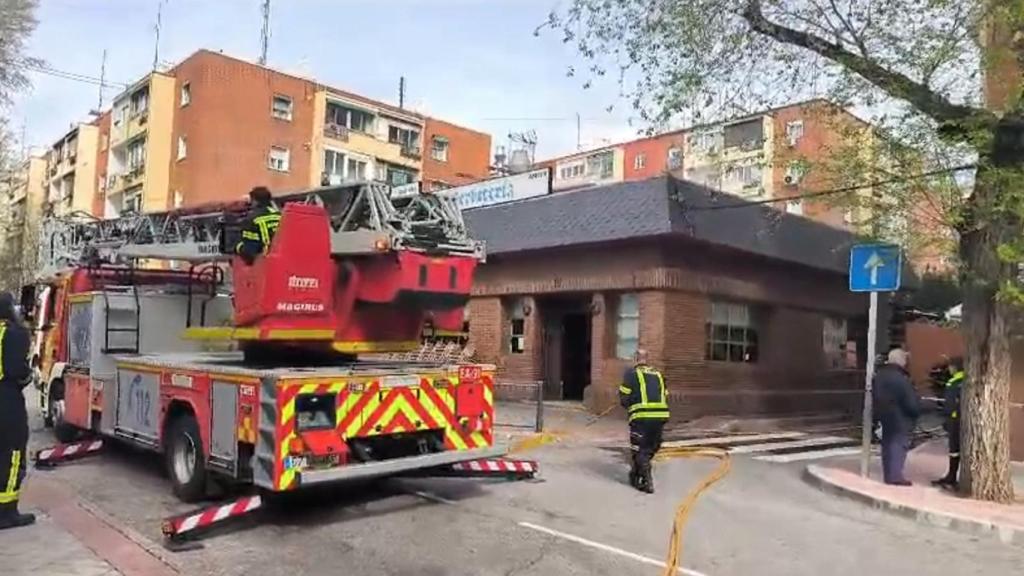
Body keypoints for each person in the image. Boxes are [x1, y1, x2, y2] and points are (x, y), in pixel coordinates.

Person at [0, 291, 35, 529]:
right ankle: (7, 512)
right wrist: (28, 375)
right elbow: (18, 371)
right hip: (7, 399)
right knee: (12, 454)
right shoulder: (14, 334)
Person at [619, 349, 670, 494]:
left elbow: (624, 398)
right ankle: (636, 473)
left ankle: (647, 481)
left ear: (635, 359)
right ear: (646, 359)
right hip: (660, 418)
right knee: (652, 446)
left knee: (639, 449)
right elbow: (665, 395)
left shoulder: (631, 374)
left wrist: (631, 403)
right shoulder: (659, 374)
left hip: (641, 418)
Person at [872, 348, 920, 486]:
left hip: (884, 414)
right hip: (899, 416)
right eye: (905, 360)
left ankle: (889, 473)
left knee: (887, 443)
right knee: (898, 444)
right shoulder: (901, 379)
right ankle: (895, 476)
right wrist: (916, 410)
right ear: (901, 361)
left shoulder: (880, 376)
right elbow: (910, 401)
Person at [933, 357, 964, 489]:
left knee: (954, 449)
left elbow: (950, 404)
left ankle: (951, 476)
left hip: (954, 419)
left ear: (954, 368)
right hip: (963, 419)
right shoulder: (968, 380)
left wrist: (948, 419)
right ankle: (953, 476)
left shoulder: (953, 382)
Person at [234, 186, 282, 264]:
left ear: (255, 201)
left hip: (264, 265)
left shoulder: (251, 220)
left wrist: (237, 247)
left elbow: (249, 251)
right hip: (283, 261)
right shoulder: (280, 216)